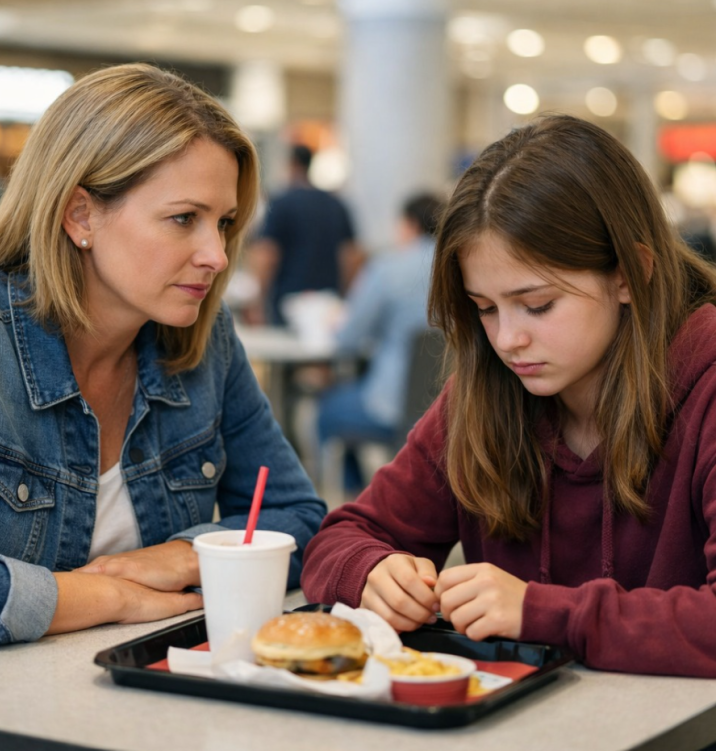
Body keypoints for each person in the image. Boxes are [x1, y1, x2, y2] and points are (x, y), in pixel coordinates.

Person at [301, 114, 716, 677]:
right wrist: (372, 572)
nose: (507, 339)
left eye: (538, 304)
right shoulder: (484, 393)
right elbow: (340, 539)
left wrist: (541, 611)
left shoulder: (706, 386)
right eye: (485, 308)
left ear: (630, 274)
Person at [0, 63, 326, 650]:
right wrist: (111, 596)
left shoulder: (204, 338)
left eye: (224, 223)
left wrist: (182, 557)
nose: (218, 256)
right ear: (81, 216)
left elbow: (300, 518)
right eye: (184, 219)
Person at [317, 192, 444, 493]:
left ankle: (352, 497)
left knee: (328, 408)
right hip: (452, 405)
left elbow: (348, 338)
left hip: (392, 406)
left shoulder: (388, 269)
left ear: (409, 225)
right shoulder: (460, 266)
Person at [247, 144, 360, 325]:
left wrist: (257, 302)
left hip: (287, 302)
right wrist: (347, 297)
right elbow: (351, 257)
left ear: (292, 164)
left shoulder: (281, 203)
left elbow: (267, 255)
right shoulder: (336, 205)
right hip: (328, 302)